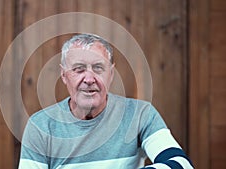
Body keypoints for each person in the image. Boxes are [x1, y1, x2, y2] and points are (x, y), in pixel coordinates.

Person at [18, 34, 194, 169]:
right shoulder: (40, 125)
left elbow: (181, 164)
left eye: (98, 68)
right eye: (79, 69)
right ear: (64, 75)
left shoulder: (140, 114)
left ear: (111, 74)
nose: (89, 78)